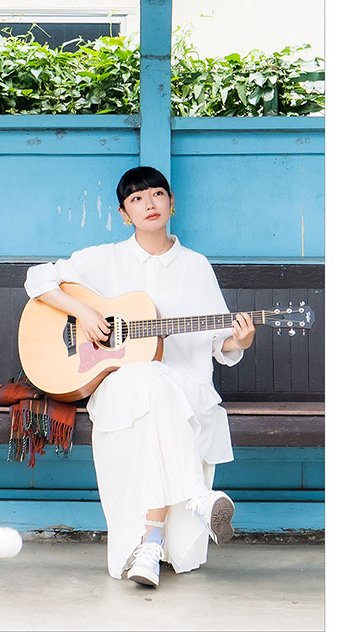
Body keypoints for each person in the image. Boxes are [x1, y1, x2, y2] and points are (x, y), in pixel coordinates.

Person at [23, 166, 255, 588]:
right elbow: (37, 278)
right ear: (124, 212)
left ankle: (150, 542)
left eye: (157, 194)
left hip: (184, 388)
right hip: (120, 388)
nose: (149, 204)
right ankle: (197, 498)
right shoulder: (103, 260)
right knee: (147, 377)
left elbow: (221, 343)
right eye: (137, 198)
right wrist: (84, 311)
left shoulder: (196, 266)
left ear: (172, 203)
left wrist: (239, 341)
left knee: (159, 386)